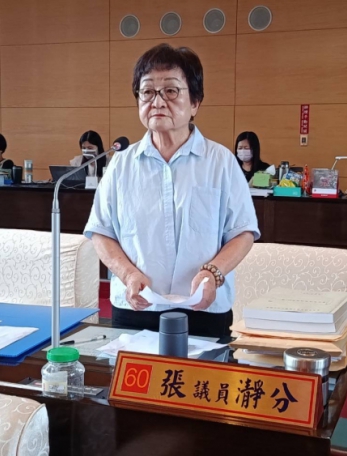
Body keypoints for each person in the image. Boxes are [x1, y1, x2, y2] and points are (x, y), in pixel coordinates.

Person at [84, 43, 259, 338]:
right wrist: (128, 274)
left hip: (203, 309)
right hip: (136, 307)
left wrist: (214, 273)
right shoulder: (121, 164)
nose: (157, 101)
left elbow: (243, 232)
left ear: (195, 103)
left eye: (171, 91)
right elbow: (101, 232)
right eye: (147, 92)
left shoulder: (220, 162)